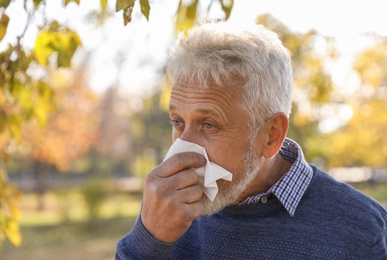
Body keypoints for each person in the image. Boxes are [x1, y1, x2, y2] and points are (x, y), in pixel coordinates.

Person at [116, 21, 387, 259]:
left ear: (271, 135)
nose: (180, 150)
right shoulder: (166, 210)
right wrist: (147, 242)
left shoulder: (363, 232)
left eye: (209, 124)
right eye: (178, 122)